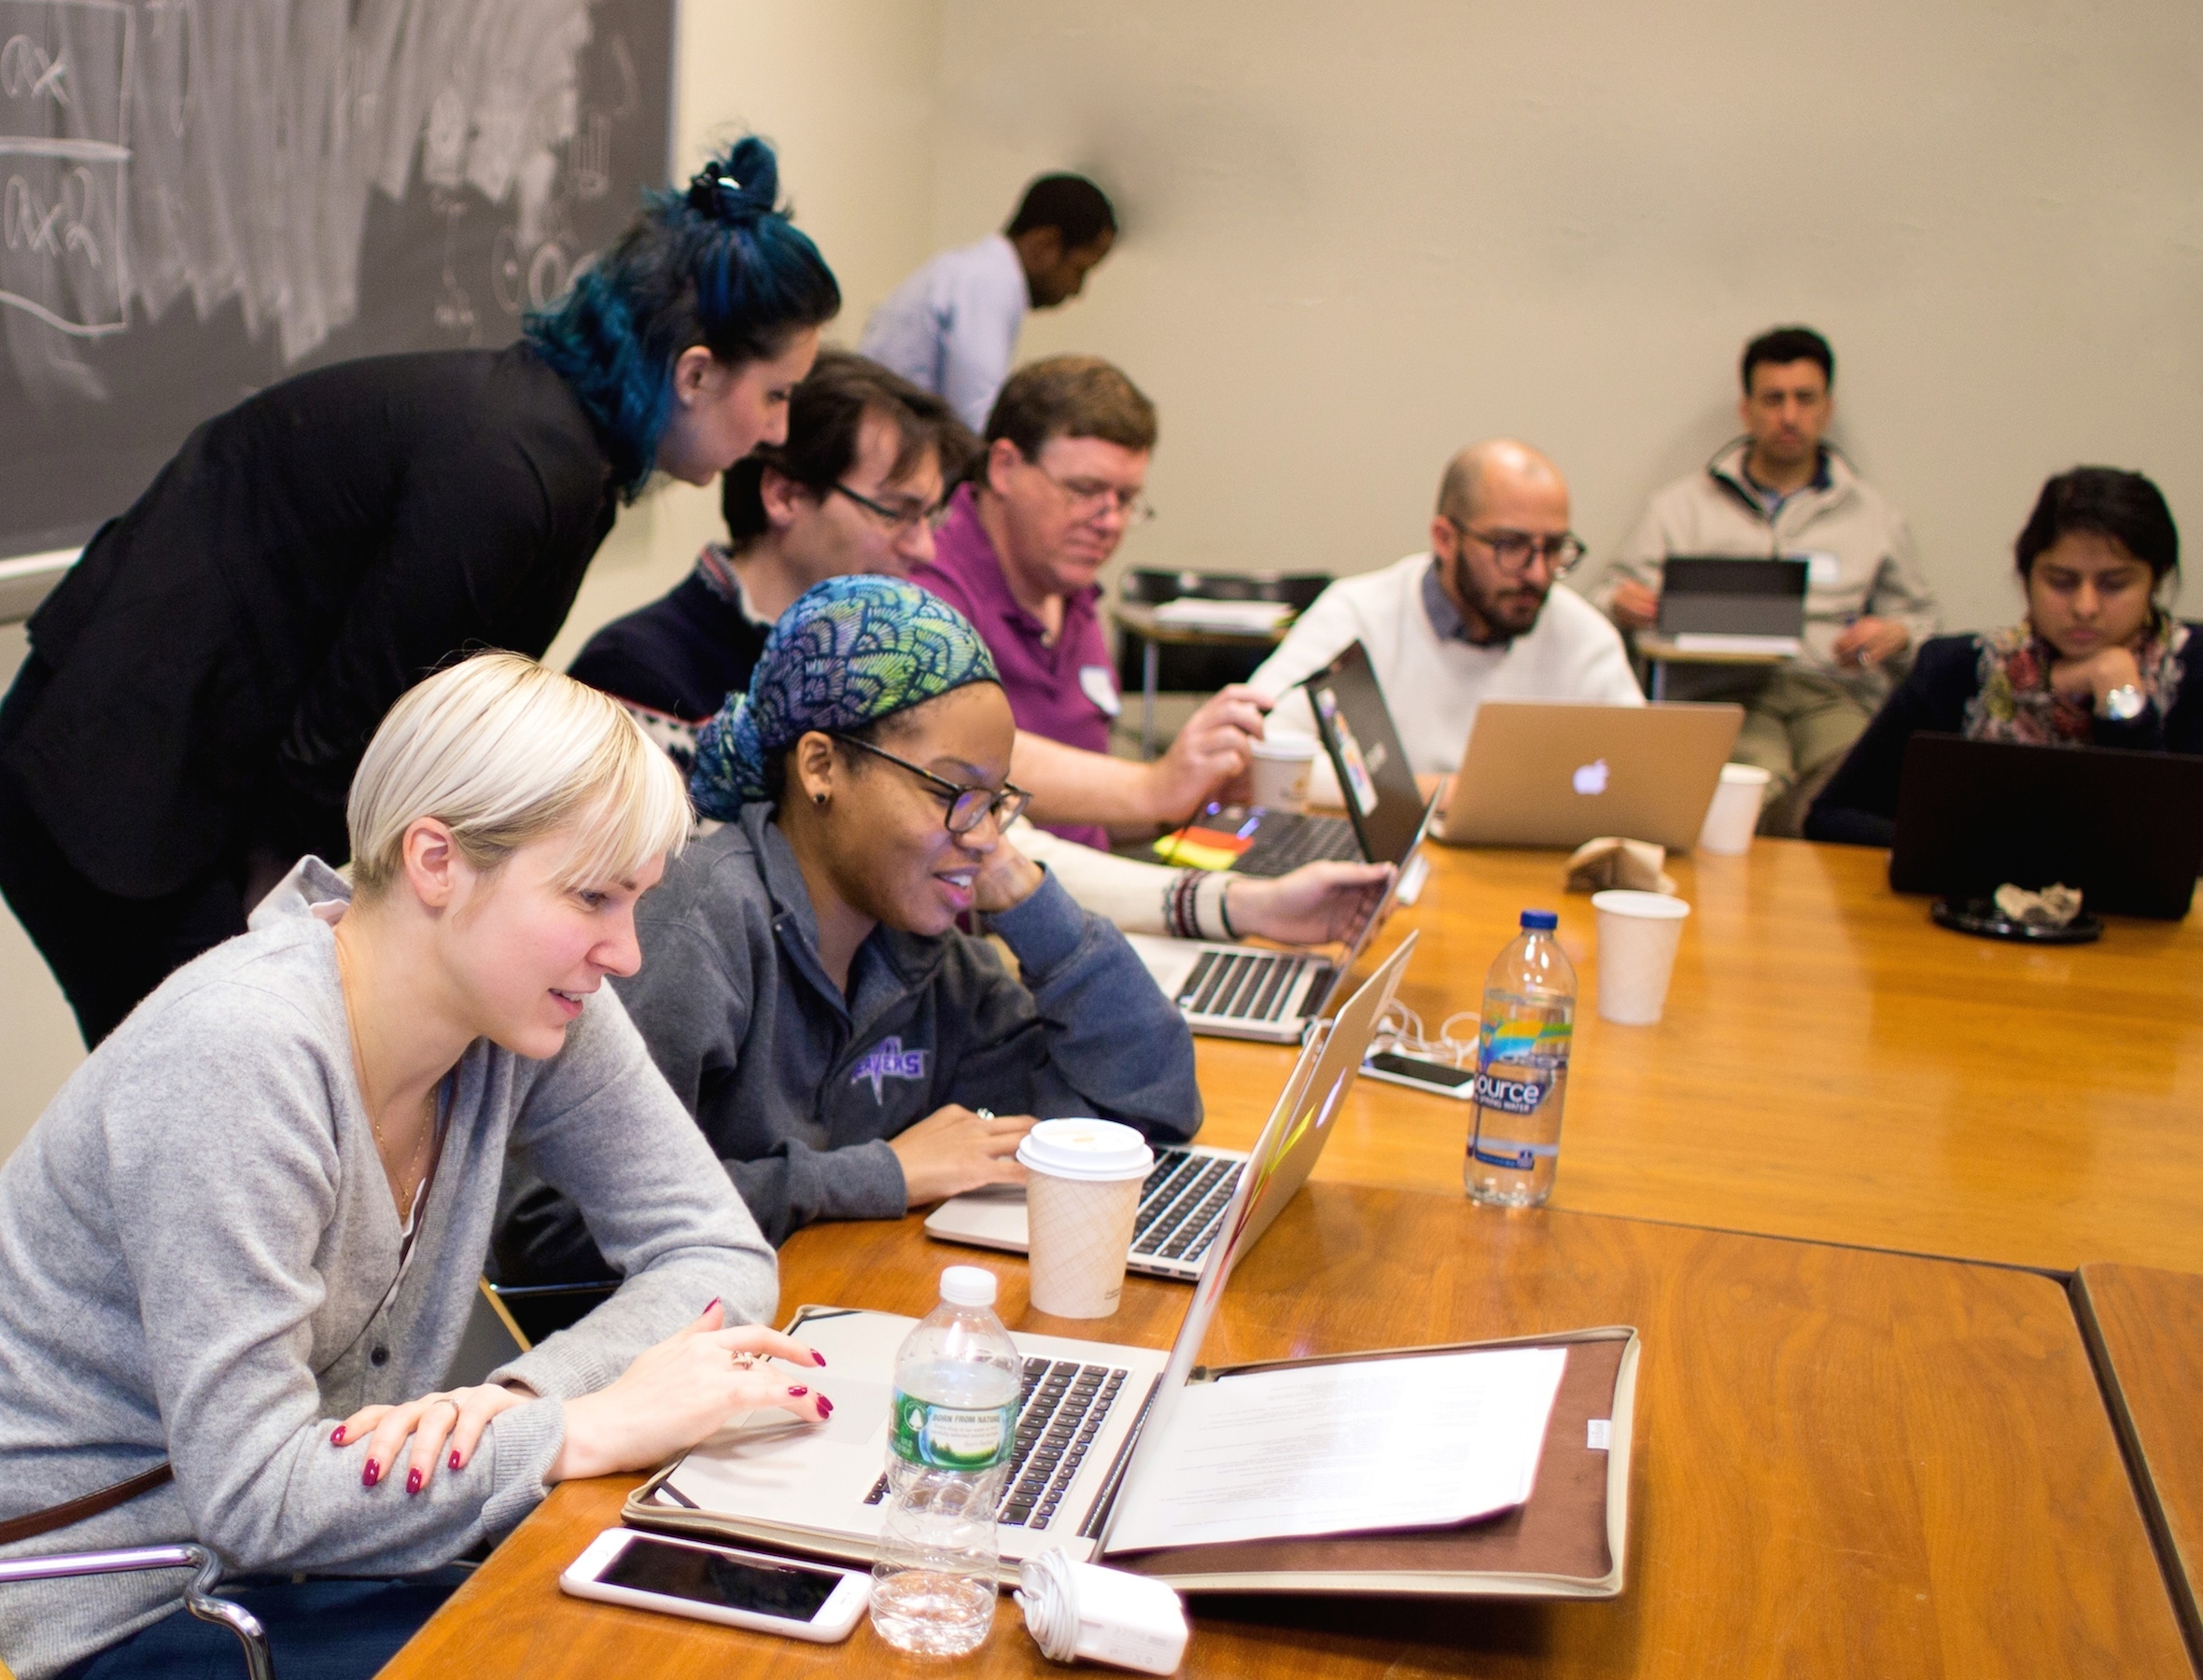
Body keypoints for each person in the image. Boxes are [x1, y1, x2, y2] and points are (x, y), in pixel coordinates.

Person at [0, 654, 833, 1680]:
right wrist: (576, 1429)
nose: (625, 953)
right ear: (437, 861)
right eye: (591, 898)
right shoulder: (238, 1055)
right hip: (115, 1599)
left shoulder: (525, 1004)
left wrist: (527, 1399)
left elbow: (714, 1252)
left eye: (635, 902)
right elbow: (255, 1497)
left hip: (314, 1560)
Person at [0, 136, 840, 1049]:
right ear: (695, 372)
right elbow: (346, 742)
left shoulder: (557, 450)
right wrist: (286, 953)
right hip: (114, 791)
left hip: (164, 780)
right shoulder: (519, 472)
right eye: (777, 395)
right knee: (216, 1076)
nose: (777, 431)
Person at [568, 353, 1391, 950]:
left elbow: (993, 851)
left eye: (930, 516)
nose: (926, 549)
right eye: (896, 512)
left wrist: (1234, 903)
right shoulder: (641, 674)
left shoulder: (886, 662)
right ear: (784, 494)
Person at [496, 577, 1201, 1273]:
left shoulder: (924, 951)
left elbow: (1148, 1109)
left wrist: (1029, 900)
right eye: (954, 792)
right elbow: (548, 1223)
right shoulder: (695, 932)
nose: (985, 834)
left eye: (996, 801)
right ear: (821, 766)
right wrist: (876, 1175)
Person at [913, 354, 1272, 851]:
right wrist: (1151, 788)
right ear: (1004, 467)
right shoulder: (926, 588)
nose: (1110, 522)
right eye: (1084, 490)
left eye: (1125, 499)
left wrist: (1191, 796)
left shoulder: (1069, 588)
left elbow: (1087, 821)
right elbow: (955, 749)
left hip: (1087, 882)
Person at [1589, 326, 1939, 830]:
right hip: (1723, 693)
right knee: (1752, 787)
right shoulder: (1680, 508)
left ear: (1827, 409)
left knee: (1853, 788)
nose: (1789, 416)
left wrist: (1895, 634)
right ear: (1746, 409)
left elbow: (1923, 621)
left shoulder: (1872, 516)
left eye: (1804, 399)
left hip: (1830, 691)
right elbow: (1601, 600)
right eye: (1773, 399)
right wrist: (1622, 604)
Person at [1808, 468, 2198, 846]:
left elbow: (2169, 844)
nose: (2085, 607)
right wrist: (1969, 852)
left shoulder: (2193, 666)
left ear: (2155, 581)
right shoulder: (1957, 668)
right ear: (2027, 578)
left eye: (2114, 584)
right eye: (2061, 582)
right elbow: (1832, 816)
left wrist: (2119, 694)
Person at [1246, 440, 1642, 781]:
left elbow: (1641, 774)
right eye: (1510, 546)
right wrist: (1430, 795)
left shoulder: (1584, 638)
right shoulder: (1360, 615)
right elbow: (1263, 745)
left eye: (1554, 549)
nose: (1538, 573)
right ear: (1445, 539)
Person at [860, 174, 1117, 431]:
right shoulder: (987, 282)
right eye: (1080, 270)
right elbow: (976, 422)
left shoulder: (971, 271)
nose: (1077, 290)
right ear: (1046, 244)